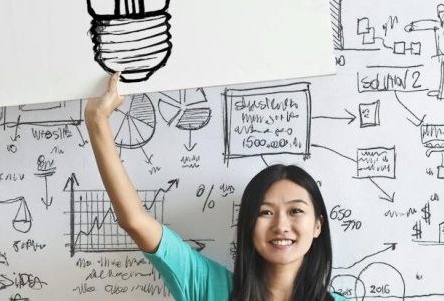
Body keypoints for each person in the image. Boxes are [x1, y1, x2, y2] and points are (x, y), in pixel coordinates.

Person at [85, 72, 348, 301]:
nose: (281, 225)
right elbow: (134, 221)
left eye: (296, 211)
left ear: (318, 225)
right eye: (265, 212)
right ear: (248, 224)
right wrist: (97, 119)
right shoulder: (207, 286)